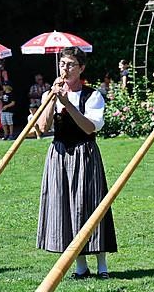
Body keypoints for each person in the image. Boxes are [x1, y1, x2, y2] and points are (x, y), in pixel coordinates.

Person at [37, 46, 117, 279]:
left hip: (84, 153)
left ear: (81, 68)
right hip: (59, 154)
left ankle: (102, 265)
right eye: (63, 64)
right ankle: (80, 266)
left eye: (71, 64)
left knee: (90, 205)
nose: (66, 69)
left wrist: (68, 104)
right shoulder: (50, 94)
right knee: (66, 207)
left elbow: (90, 127)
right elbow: (42, 128)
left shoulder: (92, 96)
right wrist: (52, 101)